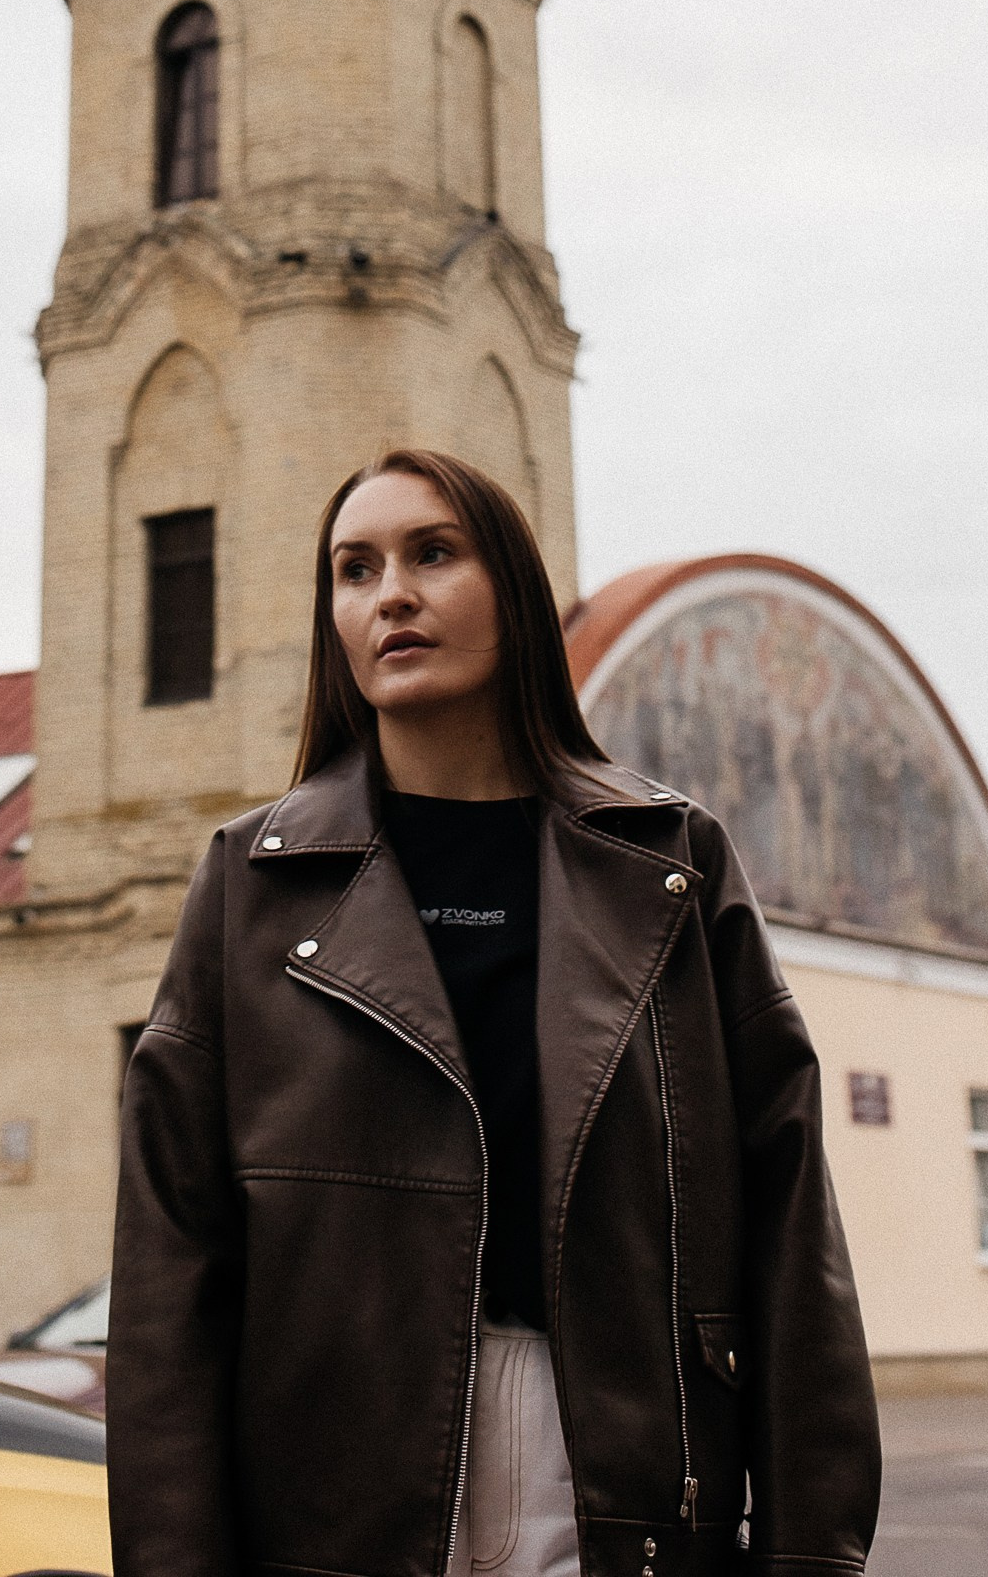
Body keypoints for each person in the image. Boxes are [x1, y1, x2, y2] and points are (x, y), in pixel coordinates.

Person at [107, 448, 881, 1577]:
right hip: (335, 1490)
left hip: (620, 1472)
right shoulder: (252, 883)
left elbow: (789, 1222)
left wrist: (811, 1552)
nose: (391, 595)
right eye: (355, 569)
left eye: (432, 554)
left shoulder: (666, 862)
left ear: (513, 592)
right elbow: (170, 1265)